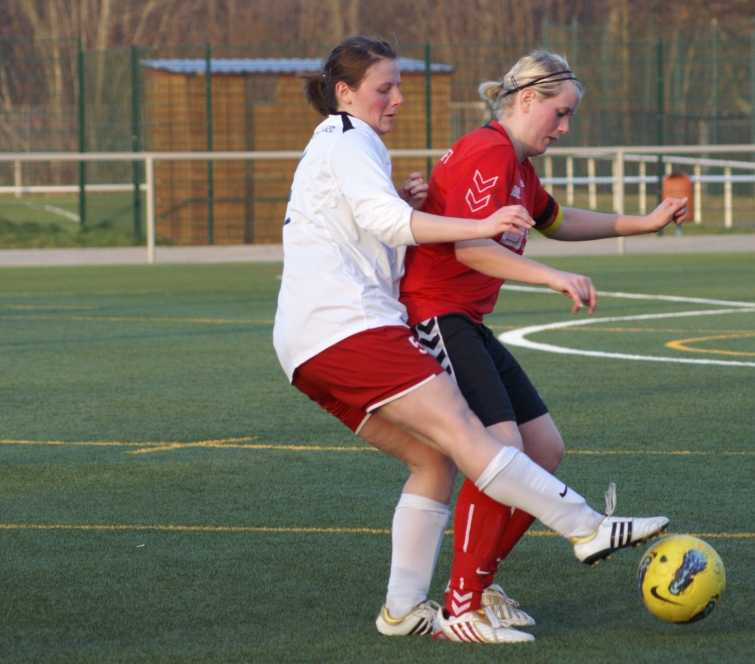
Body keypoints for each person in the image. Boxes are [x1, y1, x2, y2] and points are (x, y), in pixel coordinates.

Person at [272, 36, 669, 645]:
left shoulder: (354, 143)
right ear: (345, 93)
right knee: (477, 439)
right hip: (354, 325)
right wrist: (497, 237)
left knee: (442, 458)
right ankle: (568, 538)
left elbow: (373, 226)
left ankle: (405, 609)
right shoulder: (356, 139)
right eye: (385, 87)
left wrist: (641, 223)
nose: (398, 99)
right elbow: (426, 235)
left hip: (321, 337)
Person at [397, 50, 689, 633]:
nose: (564, 127)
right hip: (436, 315)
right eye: (560, 113)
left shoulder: (518, 168)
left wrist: (643, 223)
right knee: (502, 447)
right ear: (527, 99)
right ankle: (462, 603)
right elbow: (472, 248)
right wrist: (553, 277)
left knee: (543, 449)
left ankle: (479, 583)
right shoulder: (488, 150)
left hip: (466, 320)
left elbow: (560, 221)